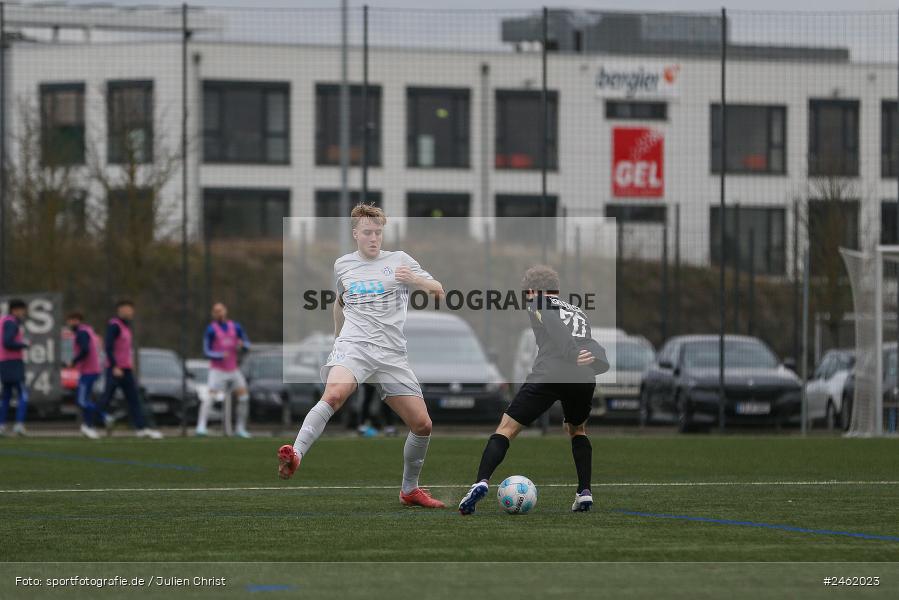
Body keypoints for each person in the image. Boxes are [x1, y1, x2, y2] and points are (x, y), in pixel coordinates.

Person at [277, 203, 446, 508]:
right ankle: (297, 454)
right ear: (355, 233)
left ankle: (409, 490)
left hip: (392, 354)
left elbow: (438, 290)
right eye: (367, 232)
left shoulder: (400, 260)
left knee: (423, 425)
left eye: (378, 232)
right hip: (354, 346)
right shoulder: (343, 264)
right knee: (334, 394)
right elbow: (339, 303)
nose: (373, 238)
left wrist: (416, 280)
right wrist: (338, 339)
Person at [458, 265, 609, 515]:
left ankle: (481, 481)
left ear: (530, 291)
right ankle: (584, 493)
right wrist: (595, 361)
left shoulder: (537, 302)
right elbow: (588, 342)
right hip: (583, 376)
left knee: (506, 428)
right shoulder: (577, 309)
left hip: (552, 371)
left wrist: (570, 353)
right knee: (577, 429)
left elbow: (553, 323)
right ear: (557, 289)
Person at [96, 300, 163, 439]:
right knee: (106, 398)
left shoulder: (127, 327)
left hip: (126, 370)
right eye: (126, 309)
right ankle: (89, 424)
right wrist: (115, 366)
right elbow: (108, 347)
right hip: (115, 369)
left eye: (131, 309)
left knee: (134, 399)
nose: (130, 312)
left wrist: (129, 363)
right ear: (120, 310)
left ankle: (141, 428)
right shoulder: (114, 325)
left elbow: (124, 349)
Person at [199, 302, 252, 438]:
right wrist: (219, 355)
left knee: (244, 397)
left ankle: (240, 429)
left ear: (225, 311)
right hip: (217, 370)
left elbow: (247, 344)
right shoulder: (211, 329)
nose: (219, 313)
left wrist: (243, 345)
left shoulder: (235, 327)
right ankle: (201, 427)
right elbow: (206, 351)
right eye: (216, 311)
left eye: (220, 310)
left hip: (233, 369)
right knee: (210, 397)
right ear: (213, 314)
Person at [65, 311, 105, 440]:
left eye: (75, 320)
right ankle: (88, 426)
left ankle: (104, 417)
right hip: (91, 370)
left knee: (81, 401)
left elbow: (85, 350)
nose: (72, 322)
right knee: (86, 400)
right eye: (71, 320)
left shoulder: (81, 332)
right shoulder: (87, 331)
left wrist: (73, 361)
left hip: (88, 371)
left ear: (80, 321)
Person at [0, 299, 30, 436]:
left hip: (4, 362)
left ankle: (1, 425)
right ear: (15, 310)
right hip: (13, 362)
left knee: (6, 395)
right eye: (22, 310)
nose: (23, 313)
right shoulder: (12, 322)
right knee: (23, 393)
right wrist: (23, 344)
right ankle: (18, 424)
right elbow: (7, 342)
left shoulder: (4, 320)